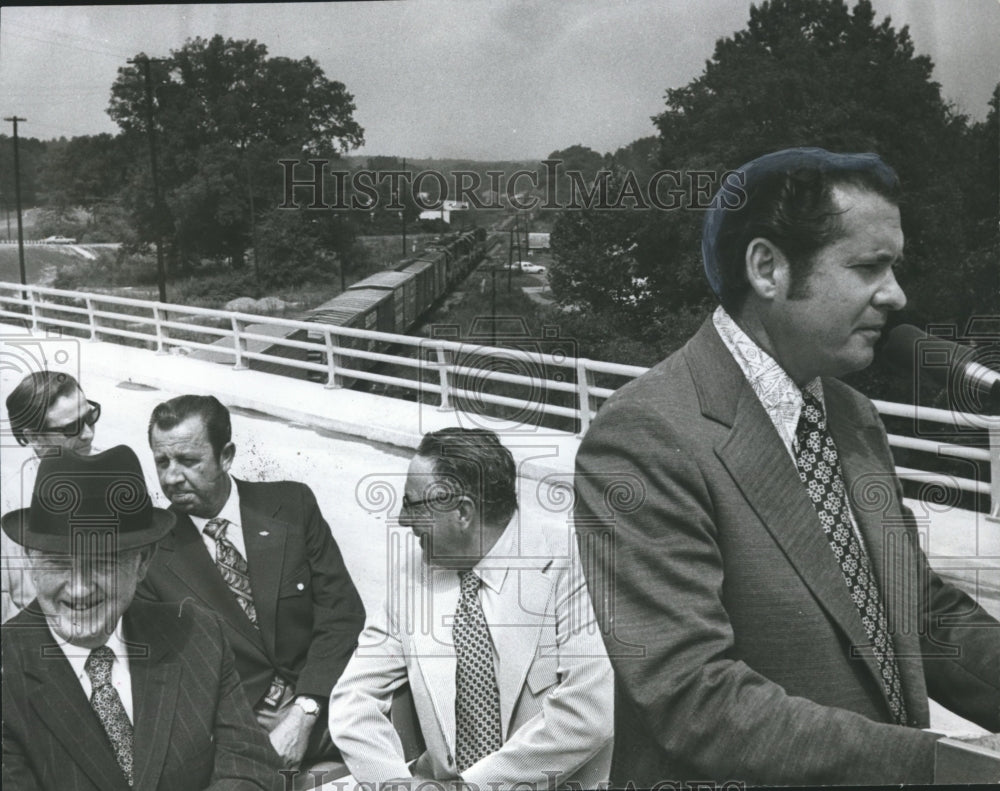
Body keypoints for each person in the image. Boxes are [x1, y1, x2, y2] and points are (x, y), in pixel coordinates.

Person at [574, 148, 1000, 786]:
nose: (896, 294)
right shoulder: (645, 435)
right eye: (868, 267)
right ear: (768, 268)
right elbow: (693, 697)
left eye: (895, 267)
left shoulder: (851, 415)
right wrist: (945, 764)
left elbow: (916, 611)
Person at [329, 427, 614, 790]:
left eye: (412, 504)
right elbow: (353, 699)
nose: (402, 520)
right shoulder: (412, 577)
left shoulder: (573, 561)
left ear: (463, 511)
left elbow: (590, 712)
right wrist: (397, 784)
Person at [1, 444, 282, 791]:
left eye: (103, 562)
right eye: (57, 561)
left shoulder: (197, 635)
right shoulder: (7, 669)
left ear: (143, 562)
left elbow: (251, 768)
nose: (78, 589)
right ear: (30, 558)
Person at [138, 394, 365, 771]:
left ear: (226, 455)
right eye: (162, 461)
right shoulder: (151, 553)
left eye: (188, 461)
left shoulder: (292, 505)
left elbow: (341, 614)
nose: (172, 477)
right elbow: (170, 674)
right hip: (241, 730)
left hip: (330, 696)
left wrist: (306, 709)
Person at [2, 371, 102, 622]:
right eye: (71, 428)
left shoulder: (124, 474)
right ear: (33, 436)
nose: (88, 434)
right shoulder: (10, 504)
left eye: (90, 417)